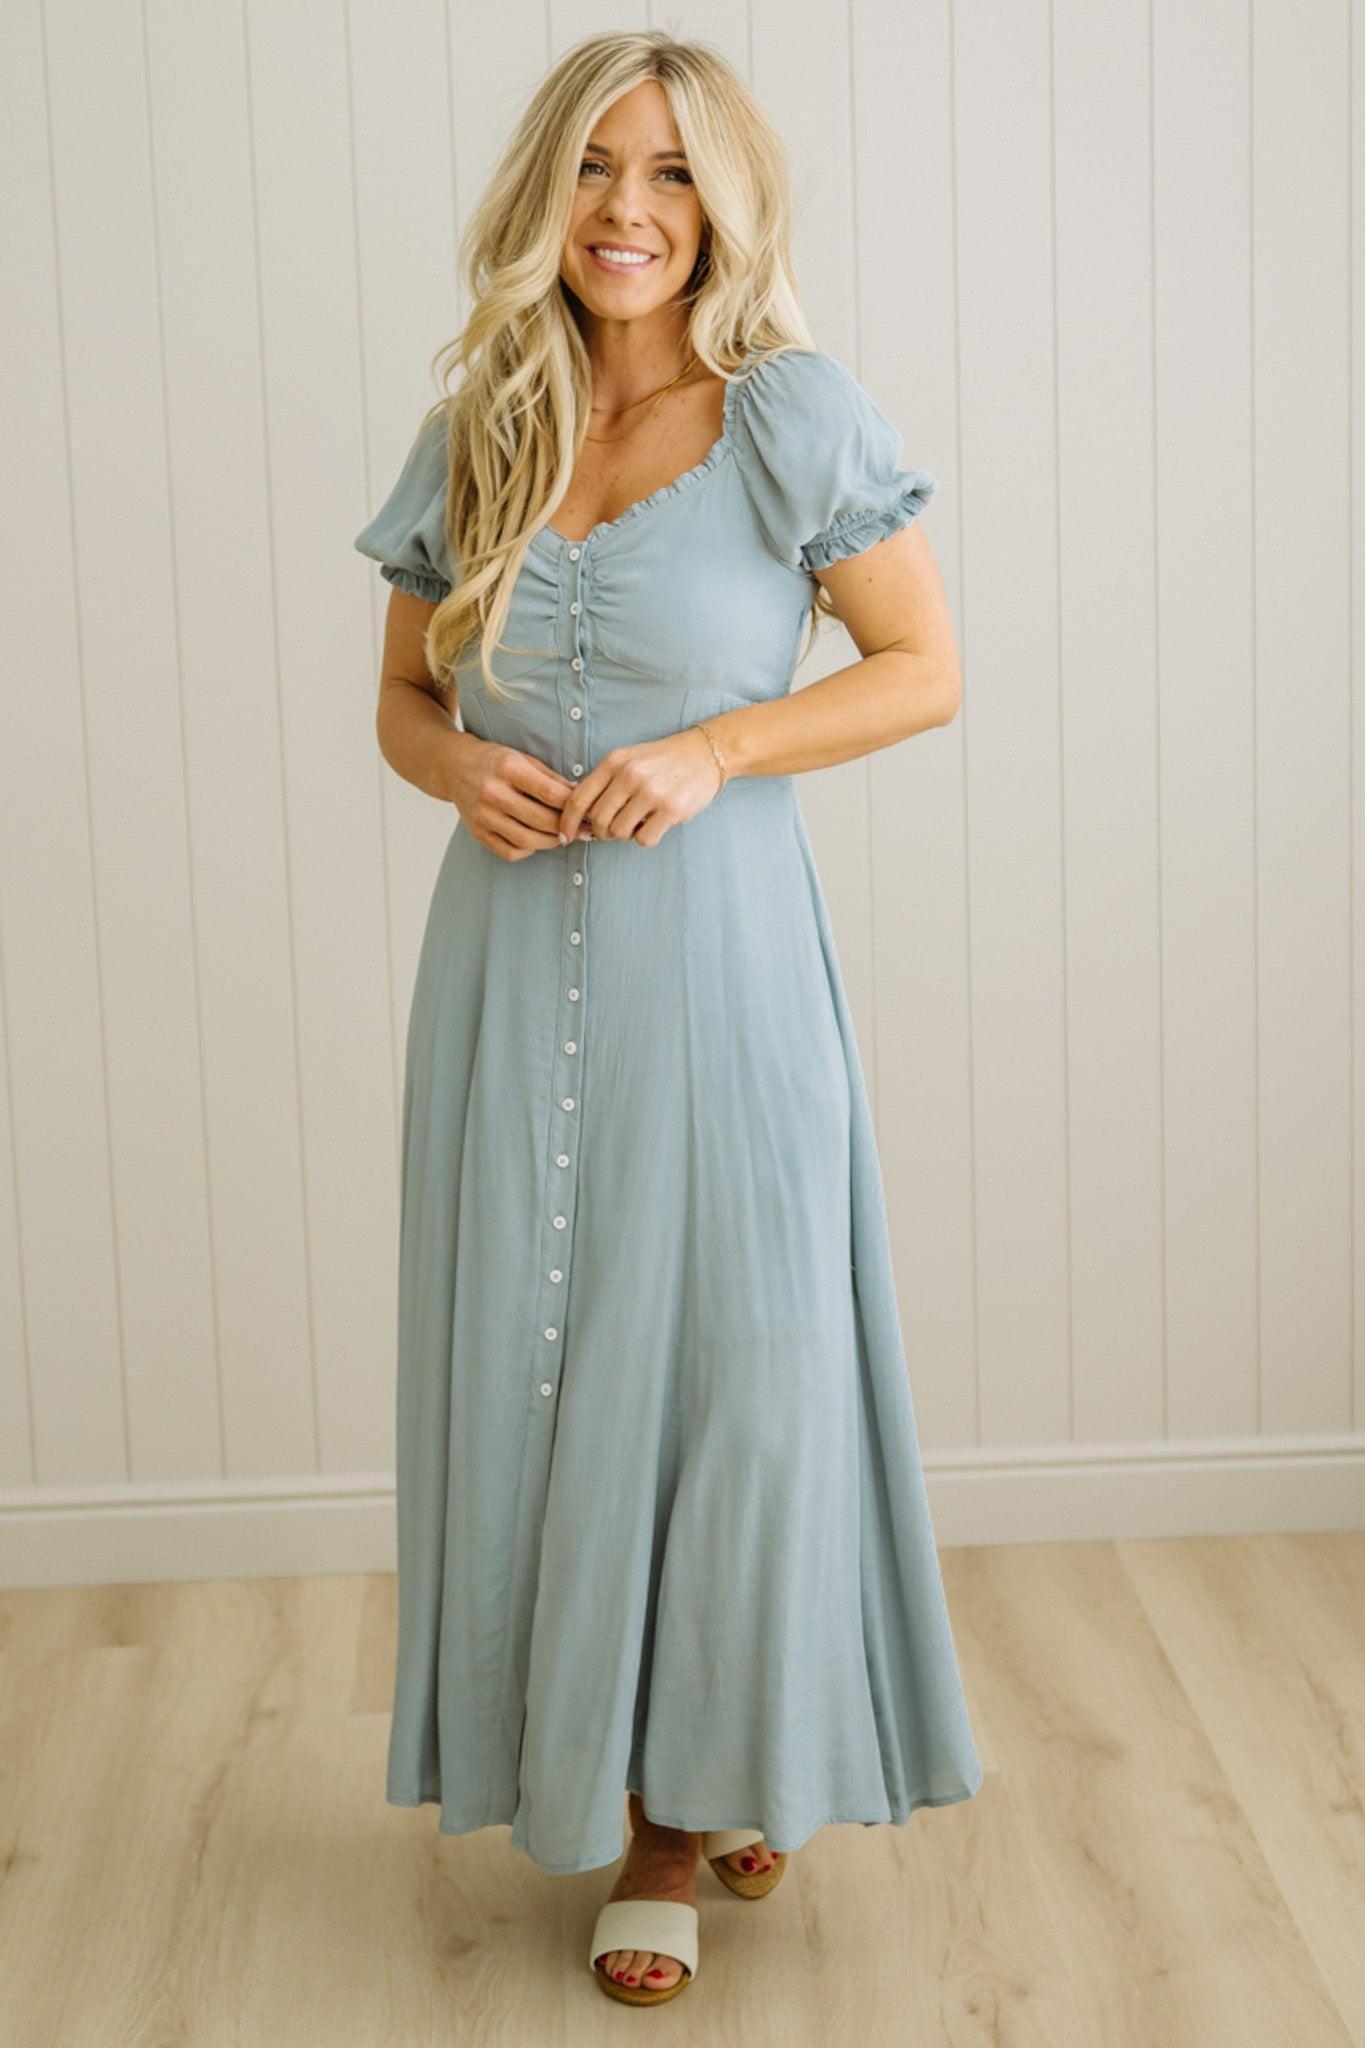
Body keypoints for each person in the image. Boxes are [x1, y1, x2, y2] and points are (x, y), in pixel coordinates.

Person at [353, 28, 983, 2009]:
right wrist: (452, 771)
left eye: (674, 174)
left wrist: (715, 747)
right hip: (501, 969)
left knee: (736, 1374)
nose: (629, 208)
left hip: (715, 974)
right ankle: (634, 1770)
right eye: (599, 167)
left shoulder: (790, 412)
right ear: (546, 188)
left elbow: (919, 668)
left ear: (724, 207)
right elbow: (400, 704)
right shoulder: (482, 421)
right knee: (544, 1371)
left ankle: (688, 1807)